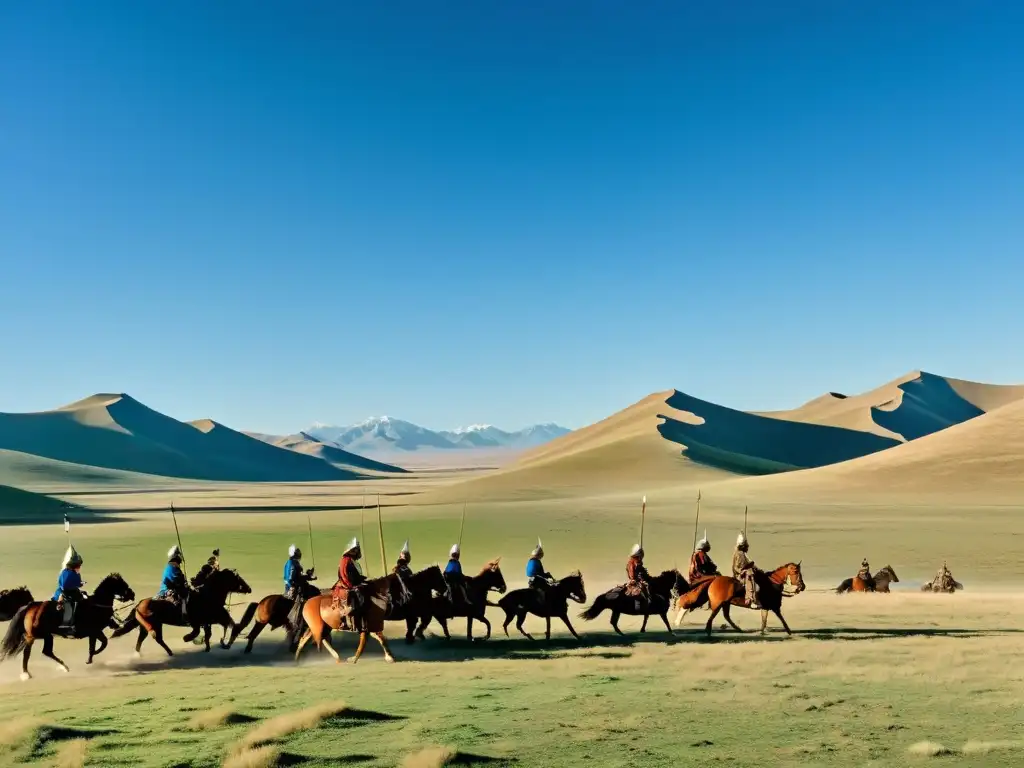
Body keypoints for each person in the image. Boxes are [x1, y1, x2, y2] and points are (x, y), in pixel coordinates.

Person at [283, 544, 315, 636]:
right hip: (294, 588)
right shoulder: (292, 564)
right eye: (298, 553)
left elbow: (298, 576)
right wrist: (303, 580)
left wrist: (308, 575)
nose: (299, 555)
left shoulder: (292, 562)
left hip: (295, 585)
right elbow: (291, 579)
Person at [333, 538, 366, 628]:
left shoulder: (351, 560)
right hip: (346, 584)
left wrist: (361, 579)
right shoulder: (346, 560)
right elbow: (345, 575)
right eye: (355, 550)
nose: (357, 552)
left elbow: (355, 574)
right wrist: (354, 585)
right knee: (359, 597)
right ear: (352, 550)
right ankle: (351, 622)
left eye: (357, 550)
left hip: (351, 582)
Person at [52, 544, 86, 631]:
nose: (80, 567)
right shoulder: (70, 573)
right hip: (67, 593)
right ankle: (68, 623)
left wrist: (79, 583)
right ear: (75, 565)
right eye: (79, 565)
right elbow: (65, 585)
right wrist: (79, 584)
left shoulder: (67, 572)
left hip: (69, 592)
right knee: (73, 605)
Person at [158, 545, 191, 620]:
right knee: (185, 596)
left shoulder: (171, 566)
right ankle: (184, 615)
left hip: (169, 588)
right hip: (168, 590)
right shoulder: (173, 567)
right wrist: (184, 584)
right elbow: (177, 580)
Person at [732, 532, 760, 609]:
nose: (747, 548)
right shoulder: (738, 554)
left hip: (746, 572)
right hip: (741, 575)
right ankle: (750, 600)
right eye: (746, 546)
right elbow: (735, 567)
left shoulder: (743, 553)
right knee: (750, 578)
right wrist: (742, 571)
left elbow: (748, 563)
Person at [526, 539, 554, 607]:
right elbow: (539, 573)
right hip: (537, 580)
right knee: (551, 588)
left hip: (532, 580)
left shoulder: (531, 561)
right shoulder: (536, 561)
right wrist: (547, 577)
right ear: (539, 555)